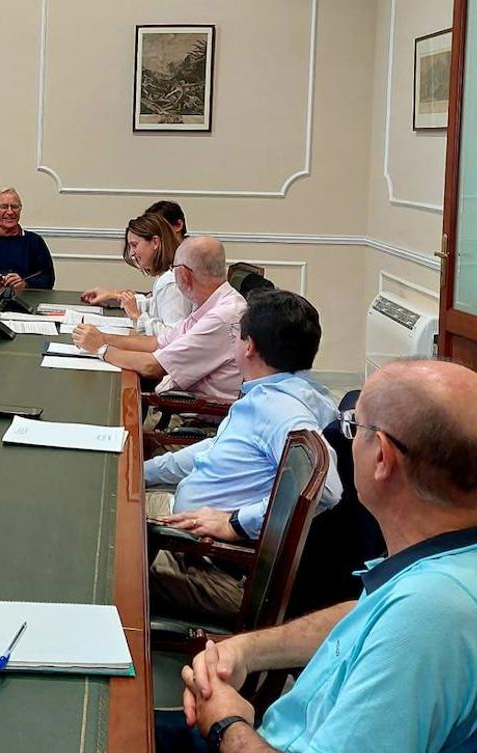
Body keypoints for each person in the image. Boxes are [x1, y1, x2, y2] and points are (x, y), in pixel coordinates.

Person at [157, 359, 477, 753]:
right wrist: (244, 650)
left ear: (382, 456)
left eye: (353, 428)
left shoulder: (431, 614)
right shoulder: (440, 559)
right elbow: (368, 614)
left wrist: (225, 724)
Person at [144, 290, 341, 621]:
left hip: (213, 566)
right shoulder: (273, 394)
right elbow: (213, 450)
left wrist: (236, 522)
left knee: (103, 556)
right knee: (107, 500)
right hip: (189, 537)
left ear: (249, 347)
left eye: (236, 337)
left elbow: (327, 488)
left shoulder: (282, 411)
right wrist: (142, 471)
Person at [73, 236, 245, 402]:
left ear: (184, 274)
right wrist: (102, 338)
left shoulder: (221, 317)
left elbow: (152, 367)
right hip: (178, 402)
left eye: (173, 269)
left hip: (189, 415)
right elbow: (159, 342)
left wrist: (101, 349)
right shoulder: (215, 302)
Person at [81, 213, 193, 335]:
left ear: (155, 242)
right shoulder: (167, 277)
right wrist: (115, 297)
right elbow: (156, 305)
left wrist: (137, 316)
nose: (131, 253)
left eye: (134, 245)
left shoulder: (171, 283)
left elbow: (173, 337)